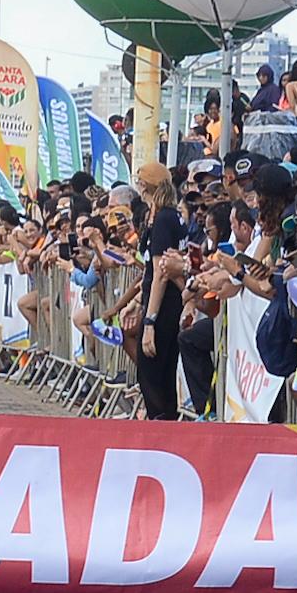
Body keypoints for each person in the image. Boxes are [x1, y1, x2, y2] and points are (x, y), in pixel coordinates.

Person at [134, 162, 183, 420]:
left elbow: (160, 273)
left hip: (164, 305)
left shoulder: (165, 219)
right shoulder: (163, 216)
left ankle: (161, 423)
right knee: (157, 372)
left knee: (152, 371)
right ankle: (162, 421)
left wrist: (150, 320)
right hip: (158, 301)